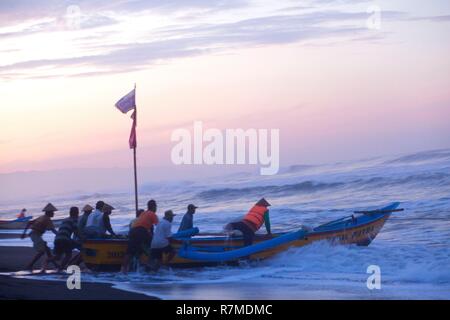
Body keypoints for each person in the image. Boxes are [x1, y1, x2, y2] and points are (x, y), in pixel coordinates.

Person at [121, 200, 159, 273]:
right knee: (153, 247)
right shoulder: (152, 214)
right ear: (154, 207)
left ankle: (123, 269)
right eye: (156, 206)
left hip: (133, 231)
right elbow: (159, 227)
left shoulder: (143, 213)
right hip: (141, 231)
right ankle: (150, 266)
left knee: (130, 251)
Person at [21, 203, 59, 272]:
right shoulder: (47, 219)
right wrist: (60, 235)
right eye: (52, 212)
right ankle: (30, 265)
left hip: (34, 234)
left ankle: (56, 265)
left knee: (47, 249)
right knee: (41, 252)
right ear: (49, 212)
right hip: (35, 235)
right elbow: (53, 230)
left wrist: (24, 233)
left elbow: (29, 223)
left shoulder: (42, 217)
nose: (53, 213)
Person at [53, 207, 80, 271]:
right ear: (76, 213)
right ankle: (61, 268)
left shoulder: (65, 220)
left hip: (57, 238)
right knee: (69, 255)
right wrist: (82, 238)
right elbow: (76, 232)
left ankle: (47, 261)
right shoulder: (74, 220)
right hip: (64, 239)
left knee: (58, 257)